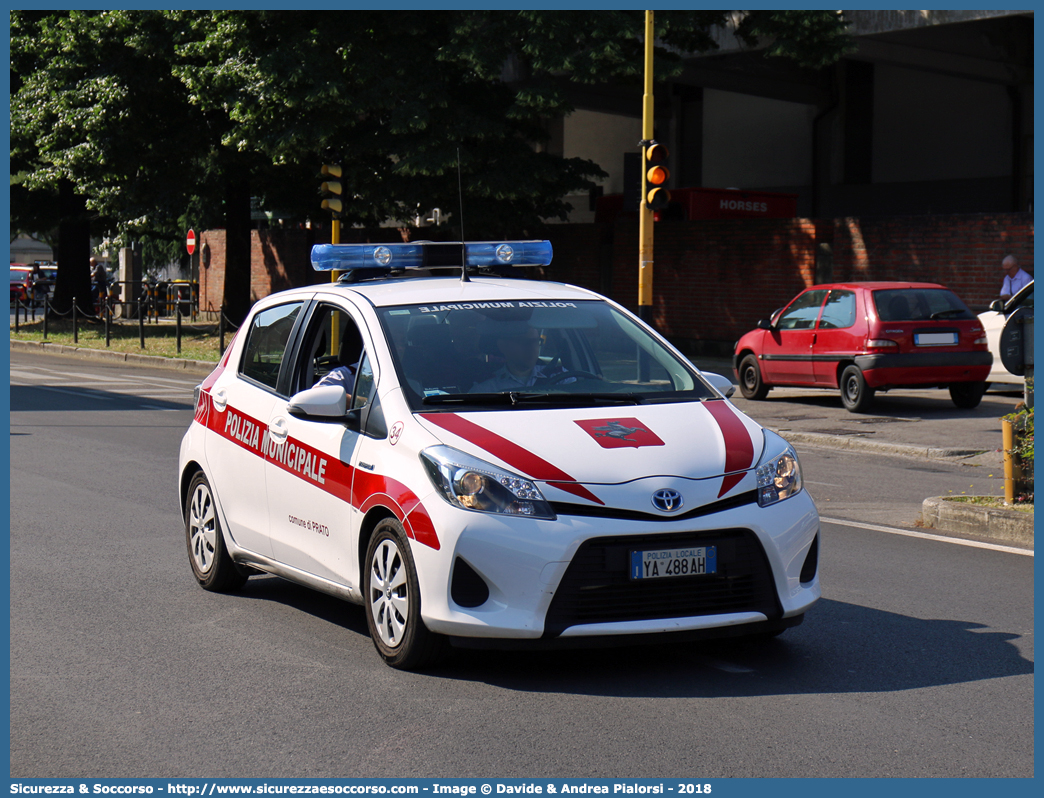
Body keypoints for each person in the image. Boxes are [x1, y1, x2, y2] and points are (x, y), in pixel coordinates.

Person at [470, 325, 568, 392]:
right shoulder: (486, 387)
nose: (532, 348)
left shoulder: (560, 376)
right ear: (503, 347)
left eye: (536, 342)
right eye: (524, 342)